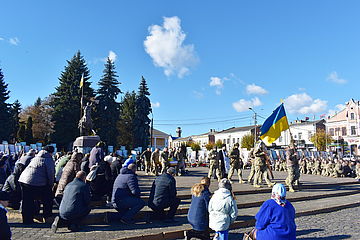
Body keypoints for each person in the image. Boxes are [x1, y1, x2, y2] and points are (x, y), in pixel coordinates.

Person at [18, 145, 55, 224]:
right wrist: (50, 184)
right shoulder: (48, 159)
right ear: (51, 152)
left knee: (27, 201)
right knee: (48, 198)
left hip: (23, 180)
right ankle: (47, 216)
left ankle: (27, 220)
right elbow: (51, 173)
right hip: (35, 182)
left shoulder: (36, 157)